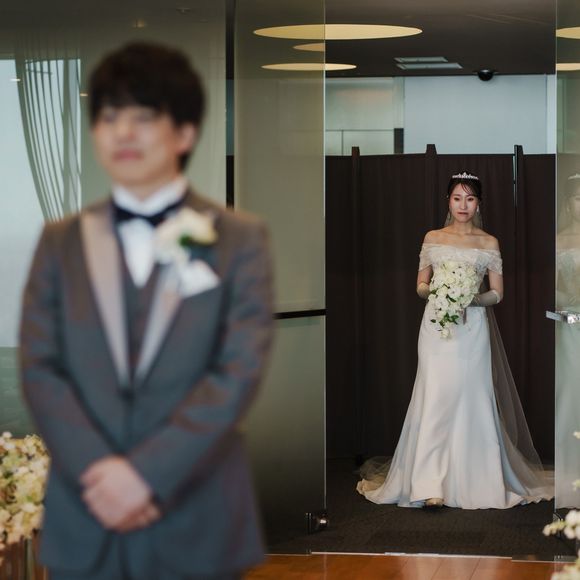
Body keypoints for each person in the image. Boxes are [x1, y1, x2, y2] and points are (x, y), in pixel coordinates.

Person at [19, 42, 274, 579]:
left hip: (196, 514)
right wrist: (101, 472)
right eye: (109, 118)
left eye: (143, 117)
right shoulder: (59, 242)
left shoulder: (239, 240)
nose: (123, 133)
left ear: (184, 133)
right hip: (86, 516)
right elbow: (40, 367)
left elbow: (236, 372)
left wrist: (144, 475)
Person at [357, 171, 552, 509]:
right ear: (448, 201)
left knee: (473, 396)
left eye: (470, 199)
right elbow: (420, 284)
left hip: (472, 327)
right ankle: (429, 484)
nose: (463, 205)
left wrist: (471, 298)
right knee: (435, 396)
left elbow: (497, 293)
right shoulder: (433, 238)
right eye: (457, 198)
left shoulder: (489, 242)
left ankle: (477, 480)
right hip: (436, 326)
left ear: (479, 203)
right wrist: (437, 293)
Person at [555, 172, 580, 509]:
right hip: (572, 324)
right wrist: (568, 299)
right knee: (572, 396)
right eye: (577, 198)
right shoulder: (559, 240)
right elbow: (553, 287)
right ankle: (571, 475)